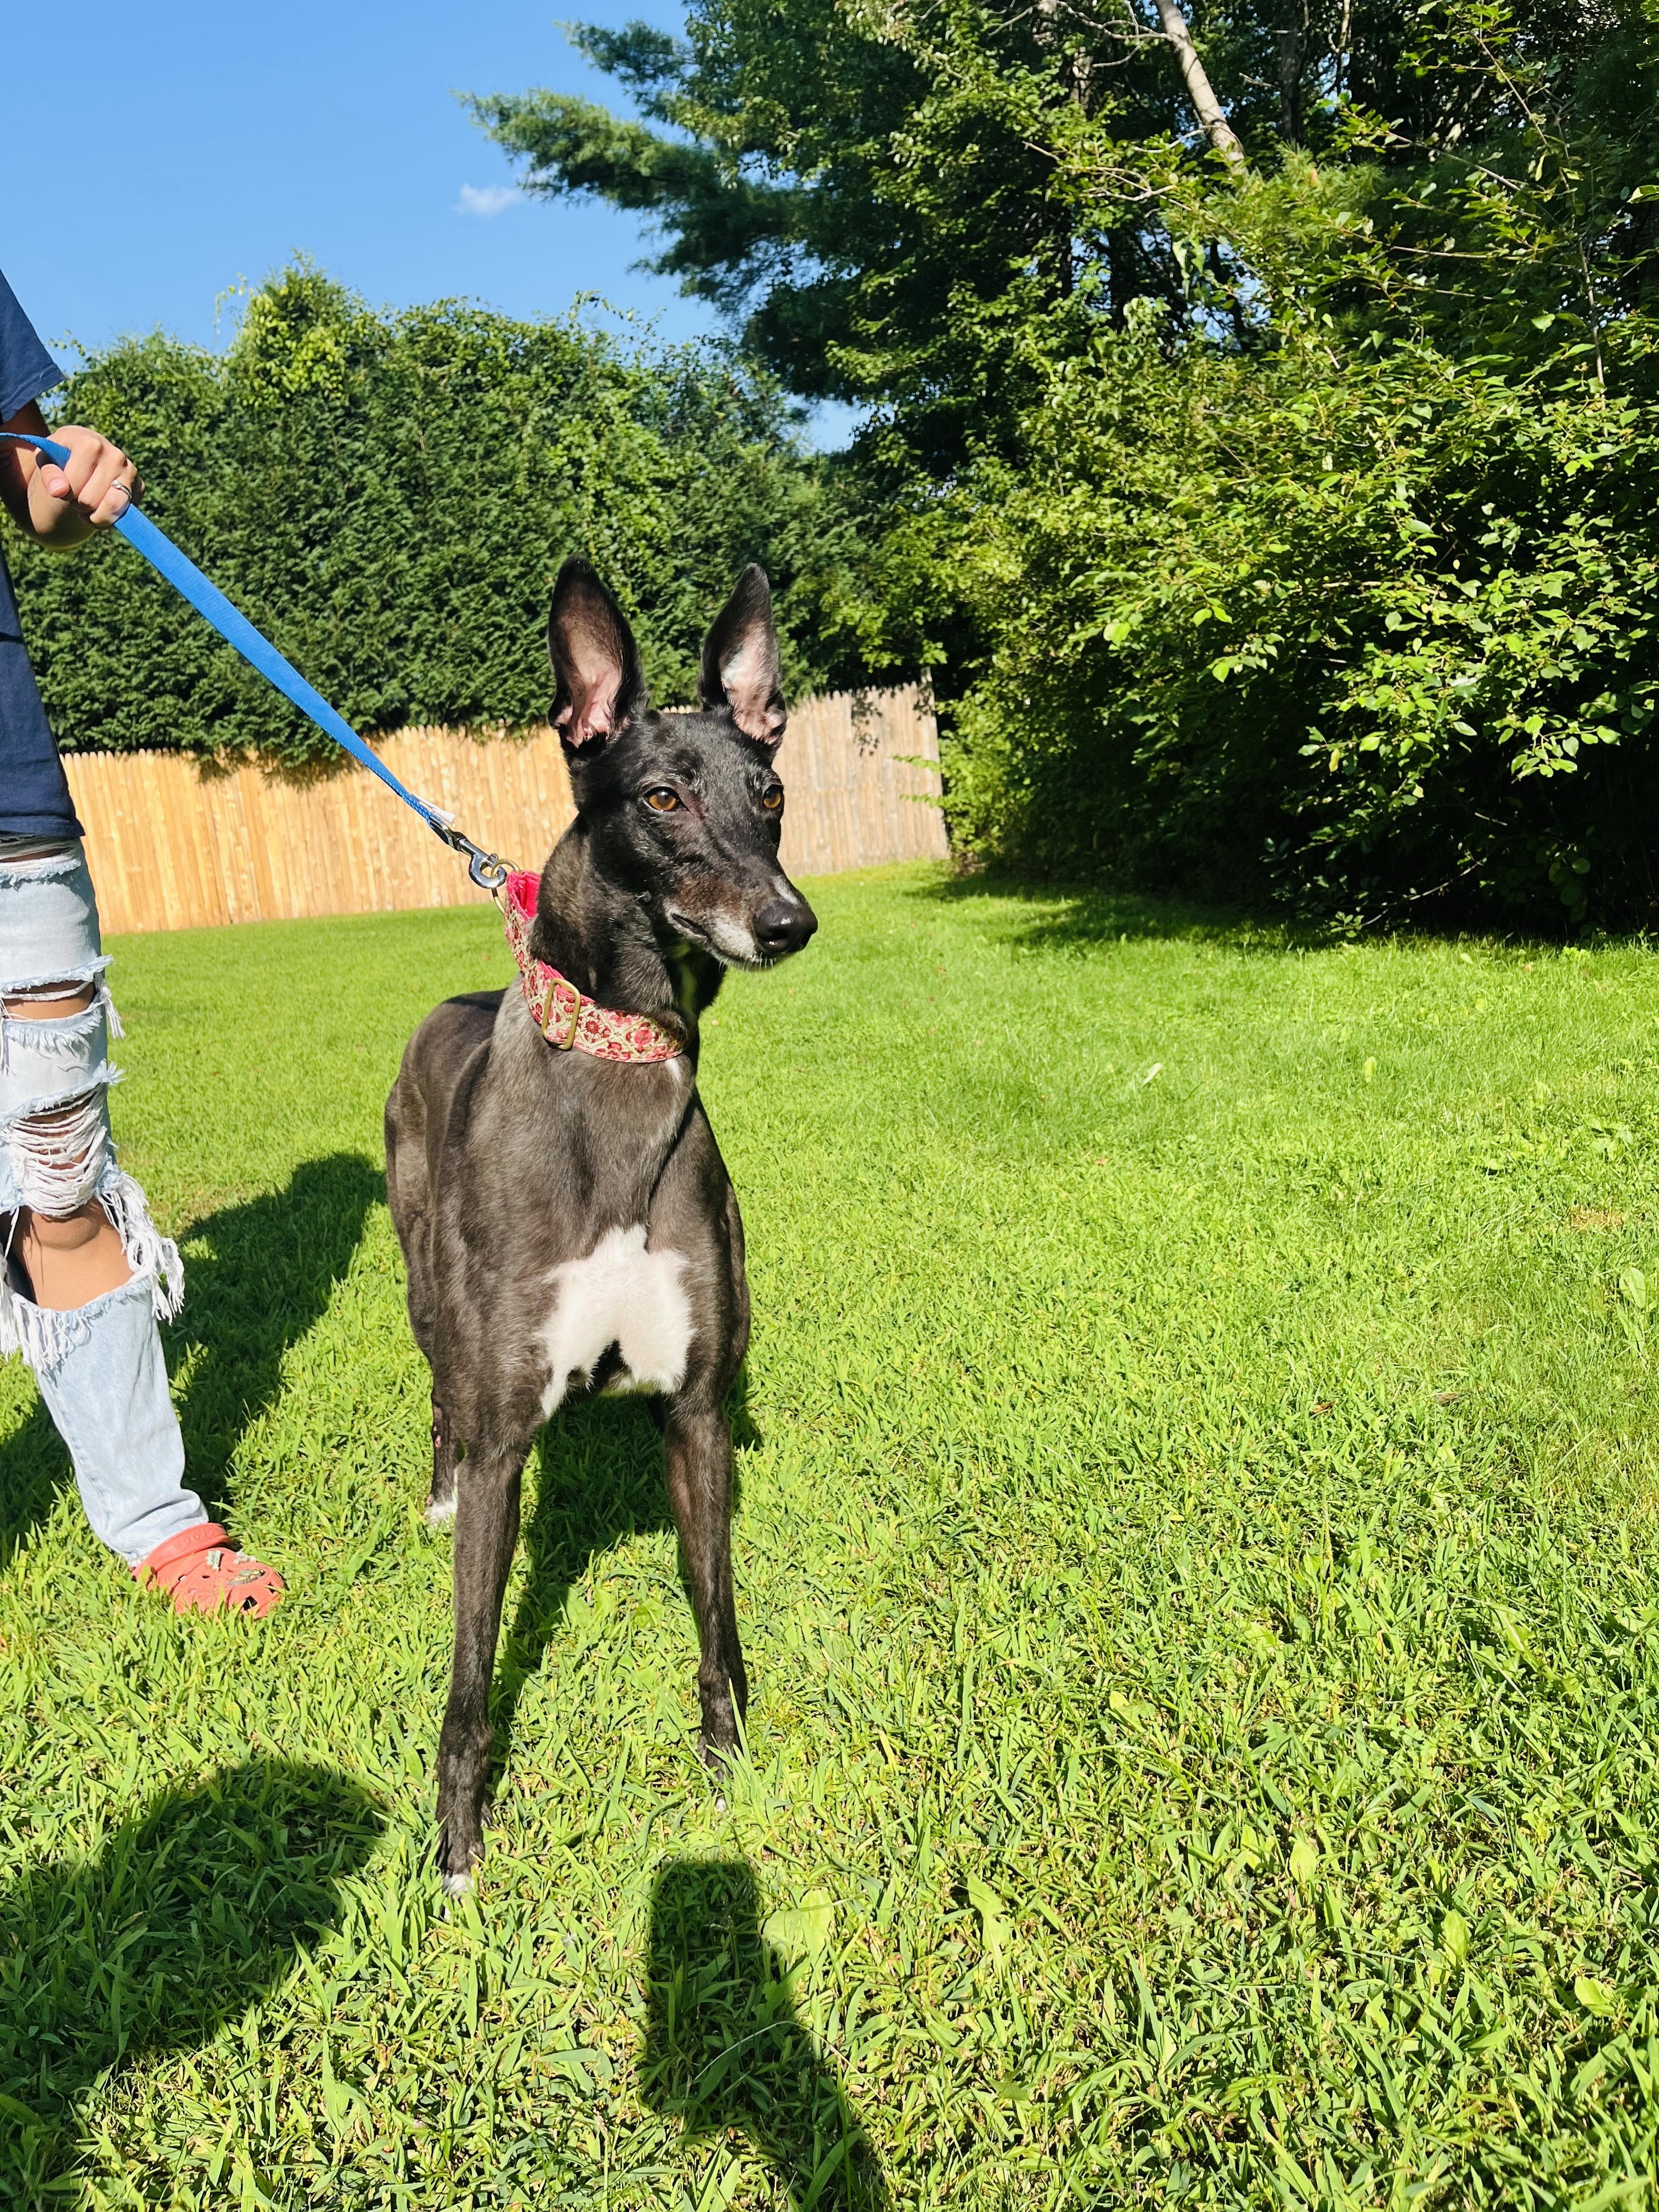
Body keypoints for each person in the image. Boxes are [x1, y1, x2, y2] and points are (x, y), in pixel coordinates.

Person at [0, 268, 282, 1616]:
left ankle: (160, 1524)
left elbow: (29, 485)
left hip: (6, 812)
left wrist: (77, 481)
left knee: (61, 1163)